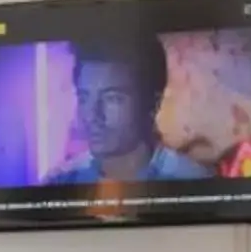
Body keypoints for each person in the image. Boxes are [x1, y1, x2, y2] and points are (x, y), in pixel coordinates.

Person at [51, 33, 213, 182]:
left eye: (112, 98)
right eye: (84, 98)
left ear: (153, 103)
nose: (92, 115)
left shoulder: (194, 182)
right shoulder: (60, 181)